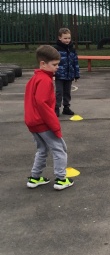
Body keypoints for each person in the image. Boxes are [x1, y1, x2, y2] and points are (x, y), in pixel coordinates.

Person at [24, 45, 75, 190]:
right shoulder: (45, 80)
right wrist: (55, 125)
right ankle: (61, 179)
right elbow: (42, 104)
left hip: (32, 122)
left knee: (42, 149)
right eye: (54, 64)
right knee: (60, 148)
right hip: (43, 122)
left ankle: (35, 178)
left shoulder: (35, 78)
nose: (57, 67)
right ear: (43, 63)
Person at [54, 27, 80, 116]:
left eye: (69, 38)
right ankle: (56, 108)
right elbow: (52, 62)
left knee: (67, 92)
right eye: (65, 38)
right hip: (59, 75)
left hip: (69, 75)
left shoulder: (72, 49)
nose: (67, 40)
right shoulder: (56, 49)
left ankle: (66, 107)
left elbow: (75, 62)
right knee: (59, 92)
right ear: (59, 38)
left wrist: (76, 74)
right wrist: (52, 73)